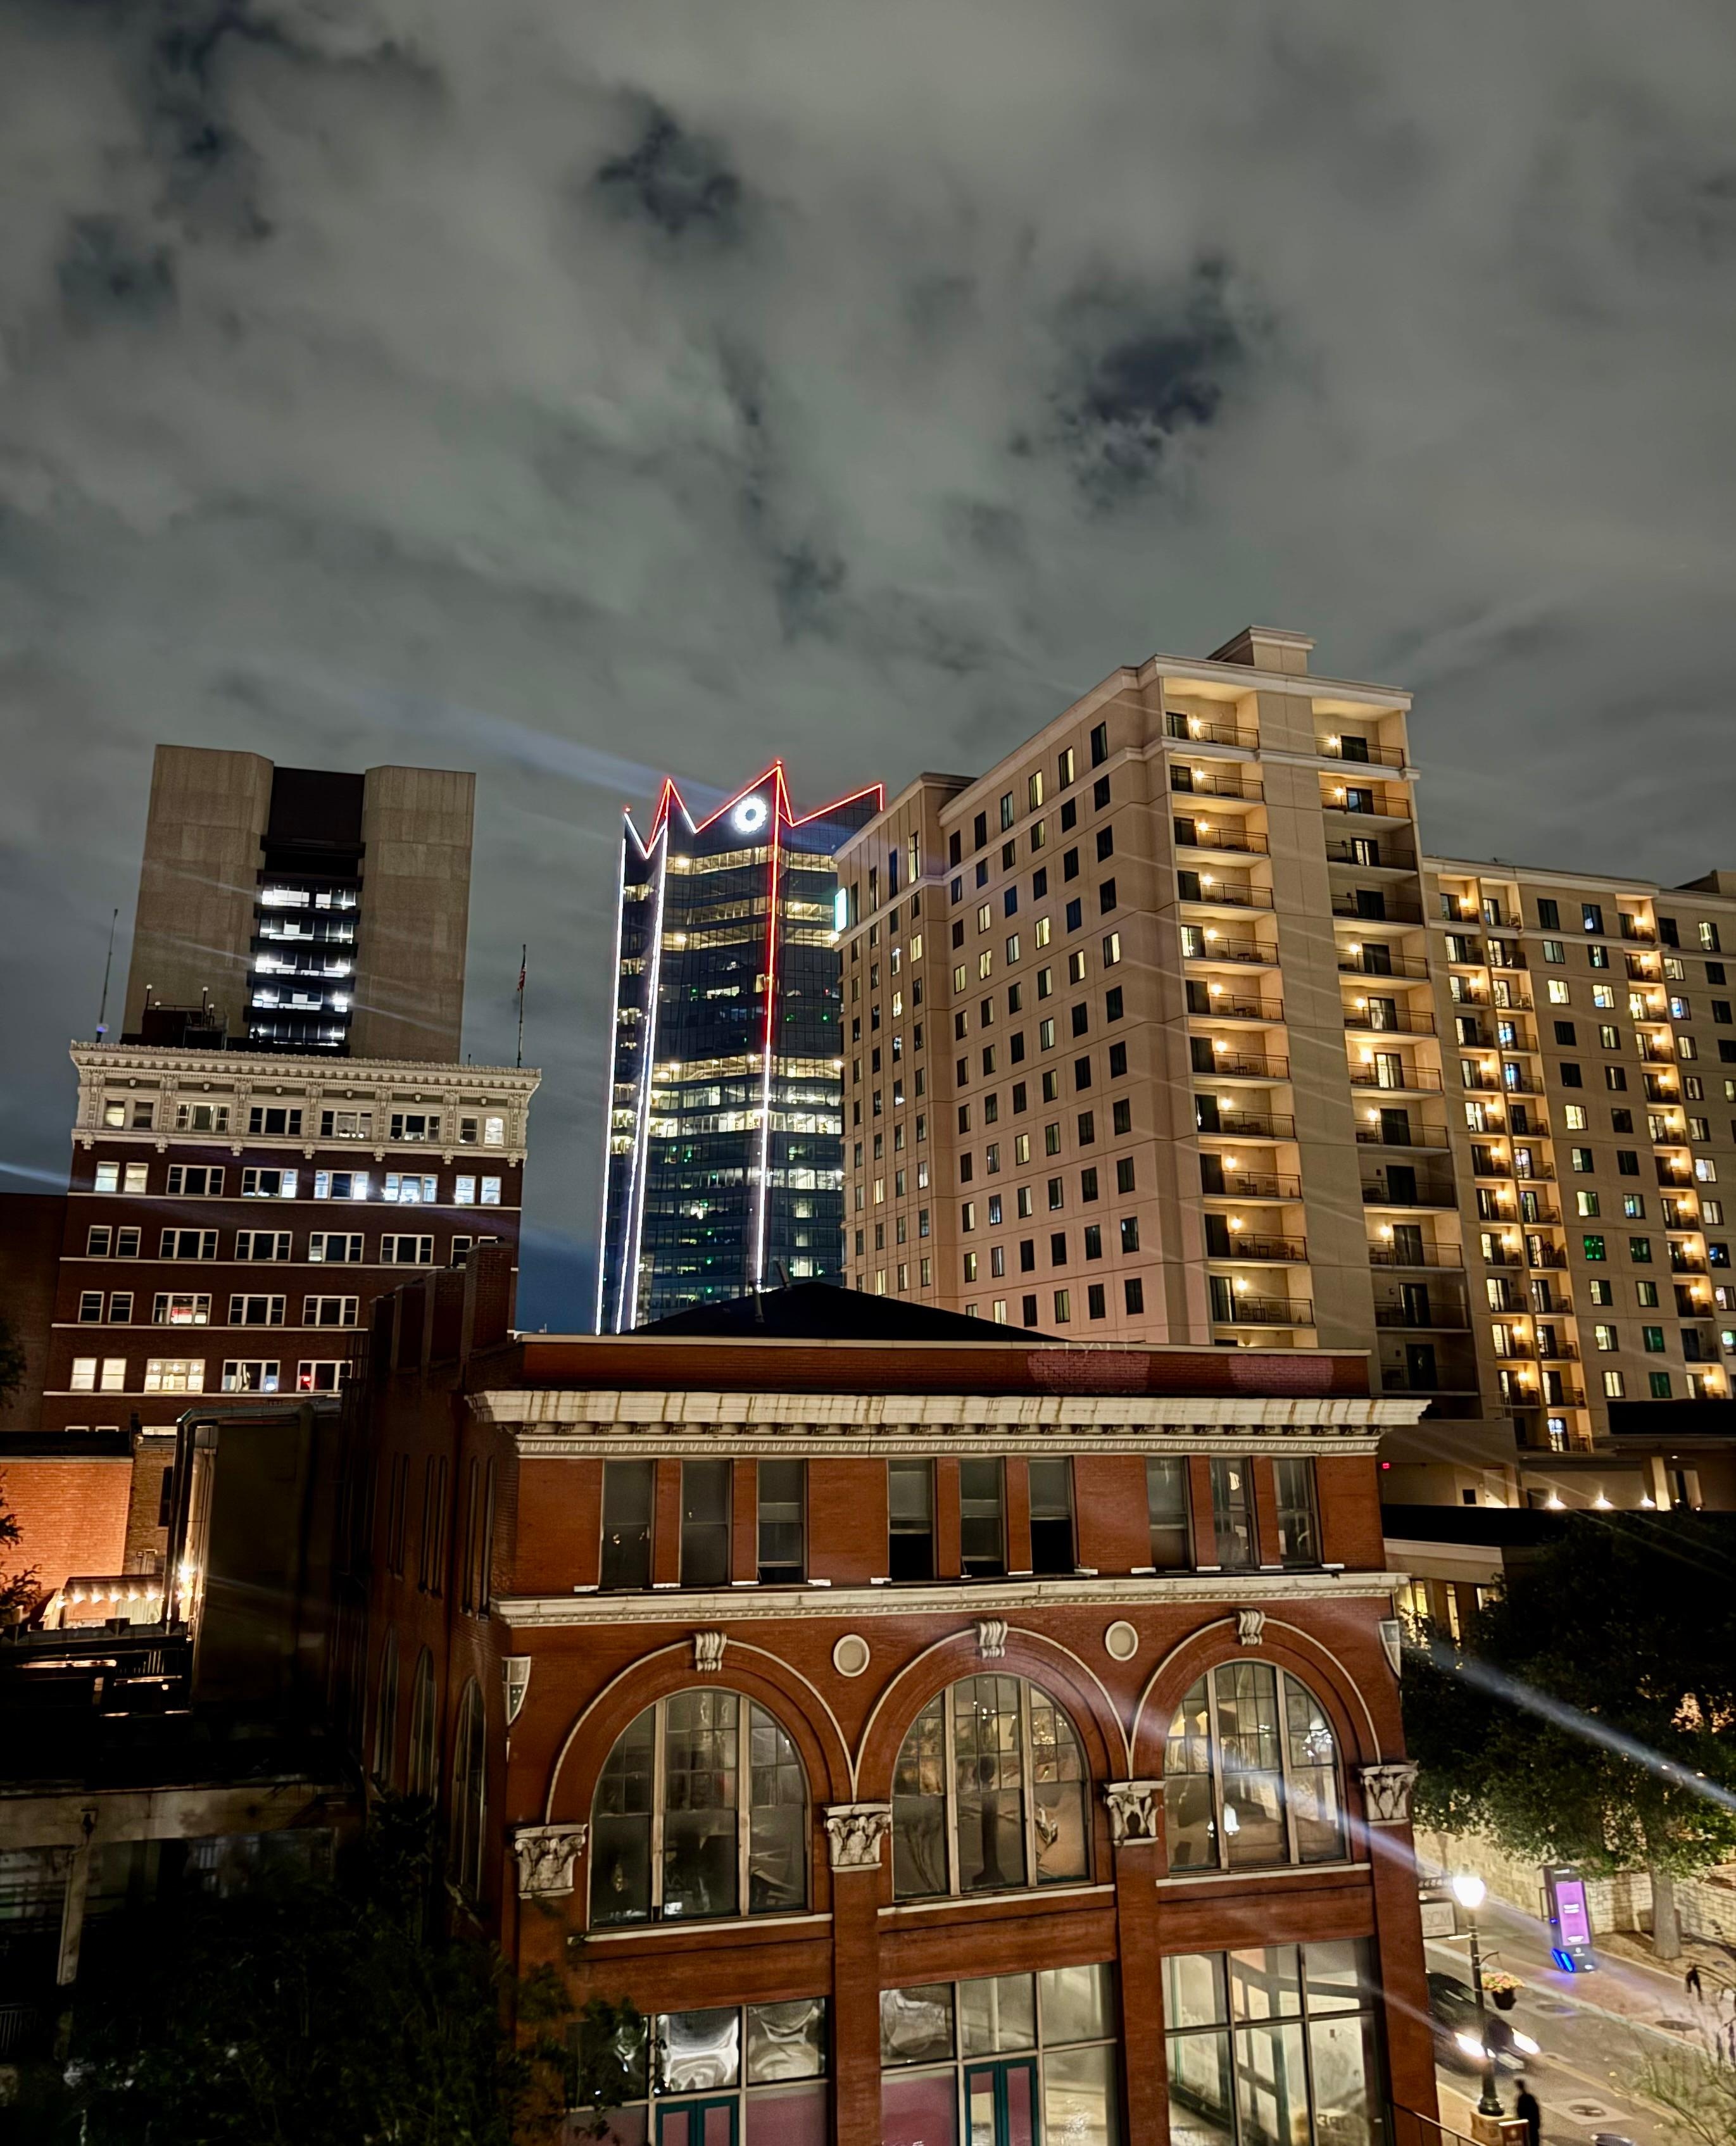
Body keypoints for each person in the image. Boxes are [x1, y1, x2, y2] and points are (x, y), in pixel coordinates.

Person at [1514, 2078, 1541, 2146]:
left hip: (1527, 2125)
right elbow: (1536, 2110)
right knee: (1534, 2142)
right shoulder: (1530, 2097)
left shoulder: (1521, 2098)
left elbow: (1520, 2113)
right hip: (1533, 2124)